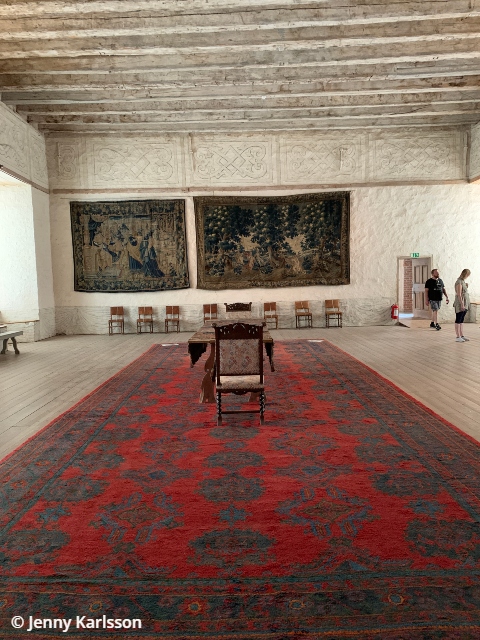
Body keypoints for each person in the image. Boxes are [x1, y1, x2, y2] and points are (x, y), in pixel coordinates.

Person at [453, 269, 471, 342]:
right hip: (460, 302)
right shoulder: (459, 282)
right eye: (467, 275)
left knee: (462, 319)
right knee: (458, 319)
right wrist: (462, 304)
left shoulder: (463, 281)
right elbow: (459, 294)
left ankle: (462, 335)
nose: (468, 276)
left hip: (465, 302)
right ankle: (458, 336)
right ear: (465, 274)